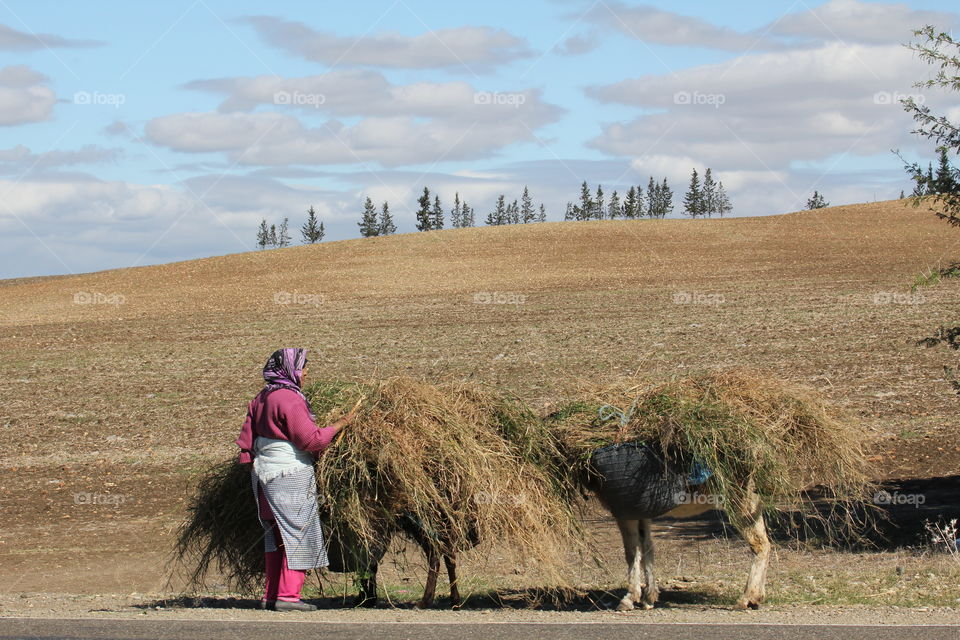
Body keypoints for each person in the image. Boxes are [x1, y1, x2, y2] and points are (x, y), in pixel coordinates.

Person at [235, 348, 356, 611]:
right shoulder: (289, 400)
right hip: (289, 474)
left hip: (263, 475)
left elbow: (247, 440)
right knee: (298, 533)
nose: (306, 373)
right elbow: (310, 440)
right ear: (290, 370)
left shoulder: (262, 397)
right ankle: (289, 597)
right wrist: (340, 424)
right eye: (303, 367)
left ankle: (271, 596)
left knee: (276, 535)